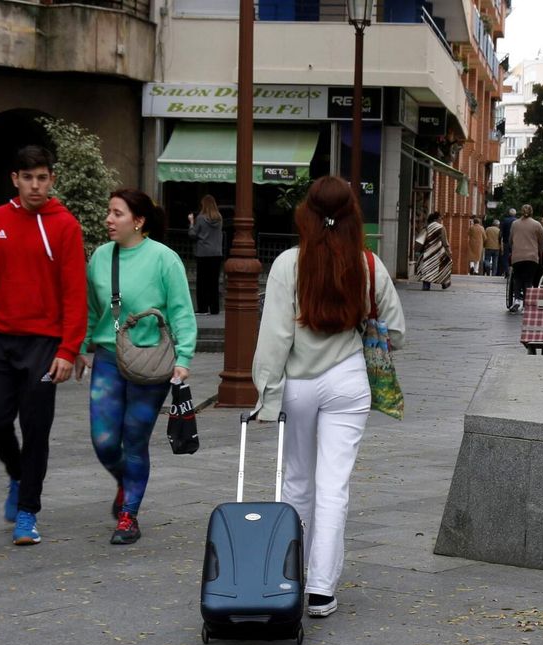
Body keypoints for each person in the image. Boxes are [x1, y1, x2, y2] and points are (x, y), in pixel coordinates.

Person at [251, 175, 405, 619]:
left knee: (296, 481)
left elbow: (275, 338)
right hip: (349, 381)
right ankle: (321, 590)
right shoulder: (368, 265)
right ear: (353, 216)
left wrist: (268, 395)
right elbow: (397, 332)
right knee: (334, 485)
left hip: (299, 384)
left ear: (307, 215)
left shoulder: (288, 265)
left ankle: (287, 576)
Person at [0, 144, 87, 546]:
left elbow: (74, 293)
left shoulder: (65, 225)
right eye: (28, 177)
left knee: (36, 430)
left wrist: (68, 350)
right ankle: (17, 475)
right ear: (14, 179)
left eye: (42, 177)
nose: (35, 186)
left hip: (44, 345)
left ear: (51, 179)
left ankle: (27, 513)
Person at [78, 188, 197, 546]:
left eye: (117, 214)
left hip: (152, 363)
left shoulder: (164, 259)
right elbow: (89, 308)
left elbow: (181, 310)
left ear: (139, 221)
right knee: (103, 441)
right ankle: (125, 480)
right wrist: (82, 345)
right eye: (109, 212)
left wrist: (184, 359)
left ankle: (129, 514)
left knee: (134, 439)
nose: (109, 220)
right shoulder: (100, 257)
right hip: (108, 359)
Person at [187, 194, 224, 315]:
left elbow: (193, 234)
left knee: (202, 282)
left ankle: (202, 308)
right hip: (216, 253)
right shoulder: (219, 218)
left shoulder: (201, 218)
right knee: (214, 282)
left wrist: (191, 222)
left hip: (203, 253)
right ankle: (214, 308)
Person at [506, 203, 543, 312]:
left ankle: (517, 300)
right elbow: (542, 241)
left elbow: (510, 240)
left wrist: (514, 248)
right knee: (529, 280)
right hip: (532, 257)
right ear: (532, 212)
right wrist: (540, 251)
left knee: (517, 278)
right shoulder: (537, 225)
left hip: (517, 256)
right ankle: (526, 303)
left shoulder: (515, 224)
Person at [412, 211, 452, 291]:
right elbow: (444, 242)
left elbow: (420, 239)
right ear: (437, 218)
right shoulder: (441, 227)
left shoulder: (426, 227)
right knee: (443, 266)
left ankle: (426, 285)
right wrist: (448, 251)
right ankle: (444, 282)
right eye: (440, 218)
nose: (441, 219)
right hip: (438, 251)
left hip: (426, 251)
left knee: (427, 267)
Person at [498, 207, 517, 277]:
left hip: (506, 242)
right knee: (514, 257)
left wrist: (499, 241)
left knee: (505, 258)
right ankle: (512, 272)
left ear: (509, 213)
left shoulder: (505, 220)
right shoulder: (517, 221)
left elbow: (500, 233)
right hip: (515, 243)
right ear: (515, 214)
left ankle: (507, 272)